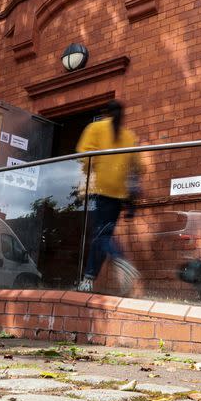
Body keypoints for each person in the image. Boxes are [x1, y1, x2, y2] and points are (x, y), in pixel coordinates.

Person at [75, 100, 141, 293]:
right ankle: (88, 280)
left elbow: (84, 157)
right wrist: (131, 201)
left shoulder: (95, 128)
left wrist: (84, 184)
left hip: (100, 190)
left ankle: (119, 257)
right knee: (102, 235)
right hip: (119, 195)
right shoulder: (129, 136)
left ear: (105, 113)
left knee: (101, 235)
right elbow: (136, 168)